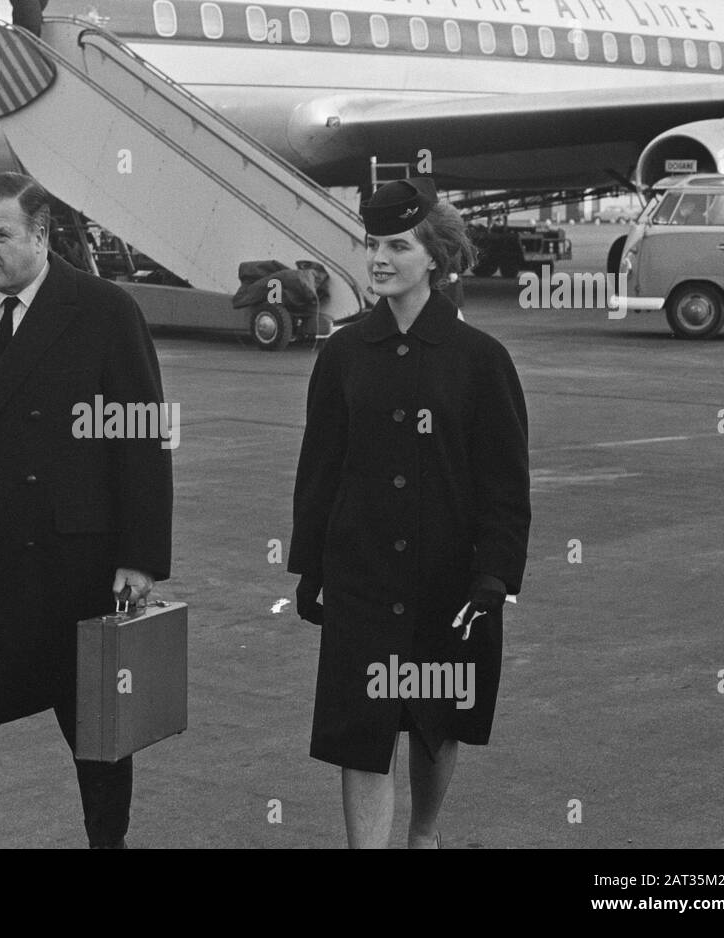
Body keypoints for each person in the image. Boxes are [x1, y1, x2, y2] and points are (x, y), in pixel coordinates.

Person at [0, 172, 173, 849]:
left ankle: (108, 843)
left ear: (41, 236)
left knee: (98, 739)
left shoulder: (104, 310)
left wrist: (140, 557)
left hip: (72, 567)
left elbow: (141, 439)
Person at [288, 177, 530, 849]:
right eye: (372, 244)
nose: (379, 258)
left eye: (398, 244)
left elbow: (505, 486)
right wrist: (308, 565)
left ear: (436, 257)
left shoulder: (480, 360)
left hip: (448, 581)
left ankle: (424, 835)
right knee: (362, 733)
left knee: (435, 719)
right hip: (361, 575)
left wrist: (495, 575)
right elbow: (320, 469)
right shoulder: (342, 354)